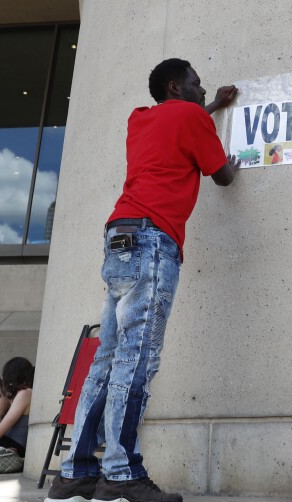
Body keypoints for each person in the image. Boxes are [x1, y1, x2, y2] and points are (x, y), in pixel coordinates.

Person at [45, 58, 241, 502]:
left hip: (119, 235)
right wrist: (230, 160)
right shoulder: (190, 117)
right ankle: (121, 474)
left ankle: (75, 471)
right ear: (176, 86)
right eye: (195, 83)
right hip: (154, 241)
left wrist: (211, 104)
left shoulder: (141, 120)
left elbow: (182, 122)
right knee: (137, 359)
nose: (201, 87)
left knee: (107, 359)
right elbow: (223, 177)